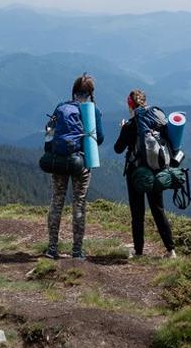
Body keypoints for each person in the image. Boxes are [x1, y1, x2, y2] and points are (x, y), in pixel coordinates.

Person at [45, 73, 104, 260]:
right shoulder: (92, 110)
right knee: (79, 204)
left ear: (74, 91)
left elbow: (49, 132)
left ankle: (52, 249)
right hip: (80, 162)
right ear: (91, 93)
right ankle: (77, 251)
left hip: (59, 161)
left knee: (57, 202)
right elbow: (99, 138)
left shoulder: (61, 107)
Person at [115, 89, 177, 259]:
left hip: (136, 172)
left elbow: (118, 149)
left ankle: (139, 252)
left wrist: (122, 129)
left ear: (130, 105)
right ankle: (171, 250)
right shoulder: (156, 120)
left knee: (137, 213)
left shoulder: (130, 125)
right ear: (145, 102)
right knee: (158, 210)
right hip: (156, 170)